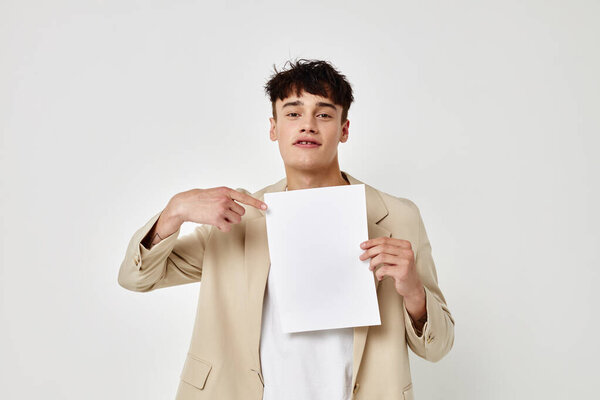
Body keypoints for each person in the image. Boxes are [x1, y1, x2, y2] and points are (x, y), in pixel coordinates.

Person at [118, 59, 455, 400]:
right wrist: (174, 212)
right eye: (293, 113)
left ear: (344, 129)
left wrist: (413, 291)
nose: (308, 125)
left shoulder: (398, 217)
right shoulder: (238, 218)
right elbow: (136, 278)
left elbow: (438, 347)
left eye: (323, 114)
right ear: (273, 127)